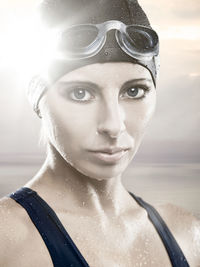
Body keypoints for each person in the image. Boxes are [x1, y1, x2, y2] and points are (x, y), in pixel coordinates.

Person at [0, 0, 199, 266]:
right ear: (37, 98)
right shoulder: (9, 240)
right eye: (80, 93)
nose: (113, 125)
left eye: (133, 91)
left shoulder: (186, 233)